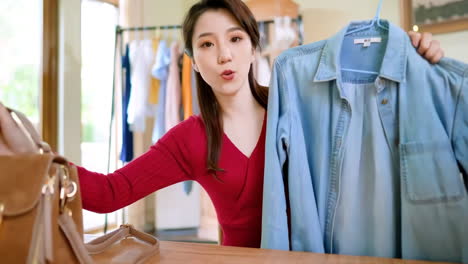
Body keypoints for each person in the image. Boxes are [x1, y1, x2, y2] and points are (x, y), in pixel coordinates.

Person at [0, 0, 445, 249]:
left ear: (254, 47)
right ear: (193, 63)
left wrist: (416, 58)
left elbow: (379, 121)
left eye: (235, 39)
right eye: (208, 45)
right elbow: (109, 193)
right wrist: (31, 159)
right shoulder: (191, 139)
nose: (225, 55)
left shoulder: (299, 108)